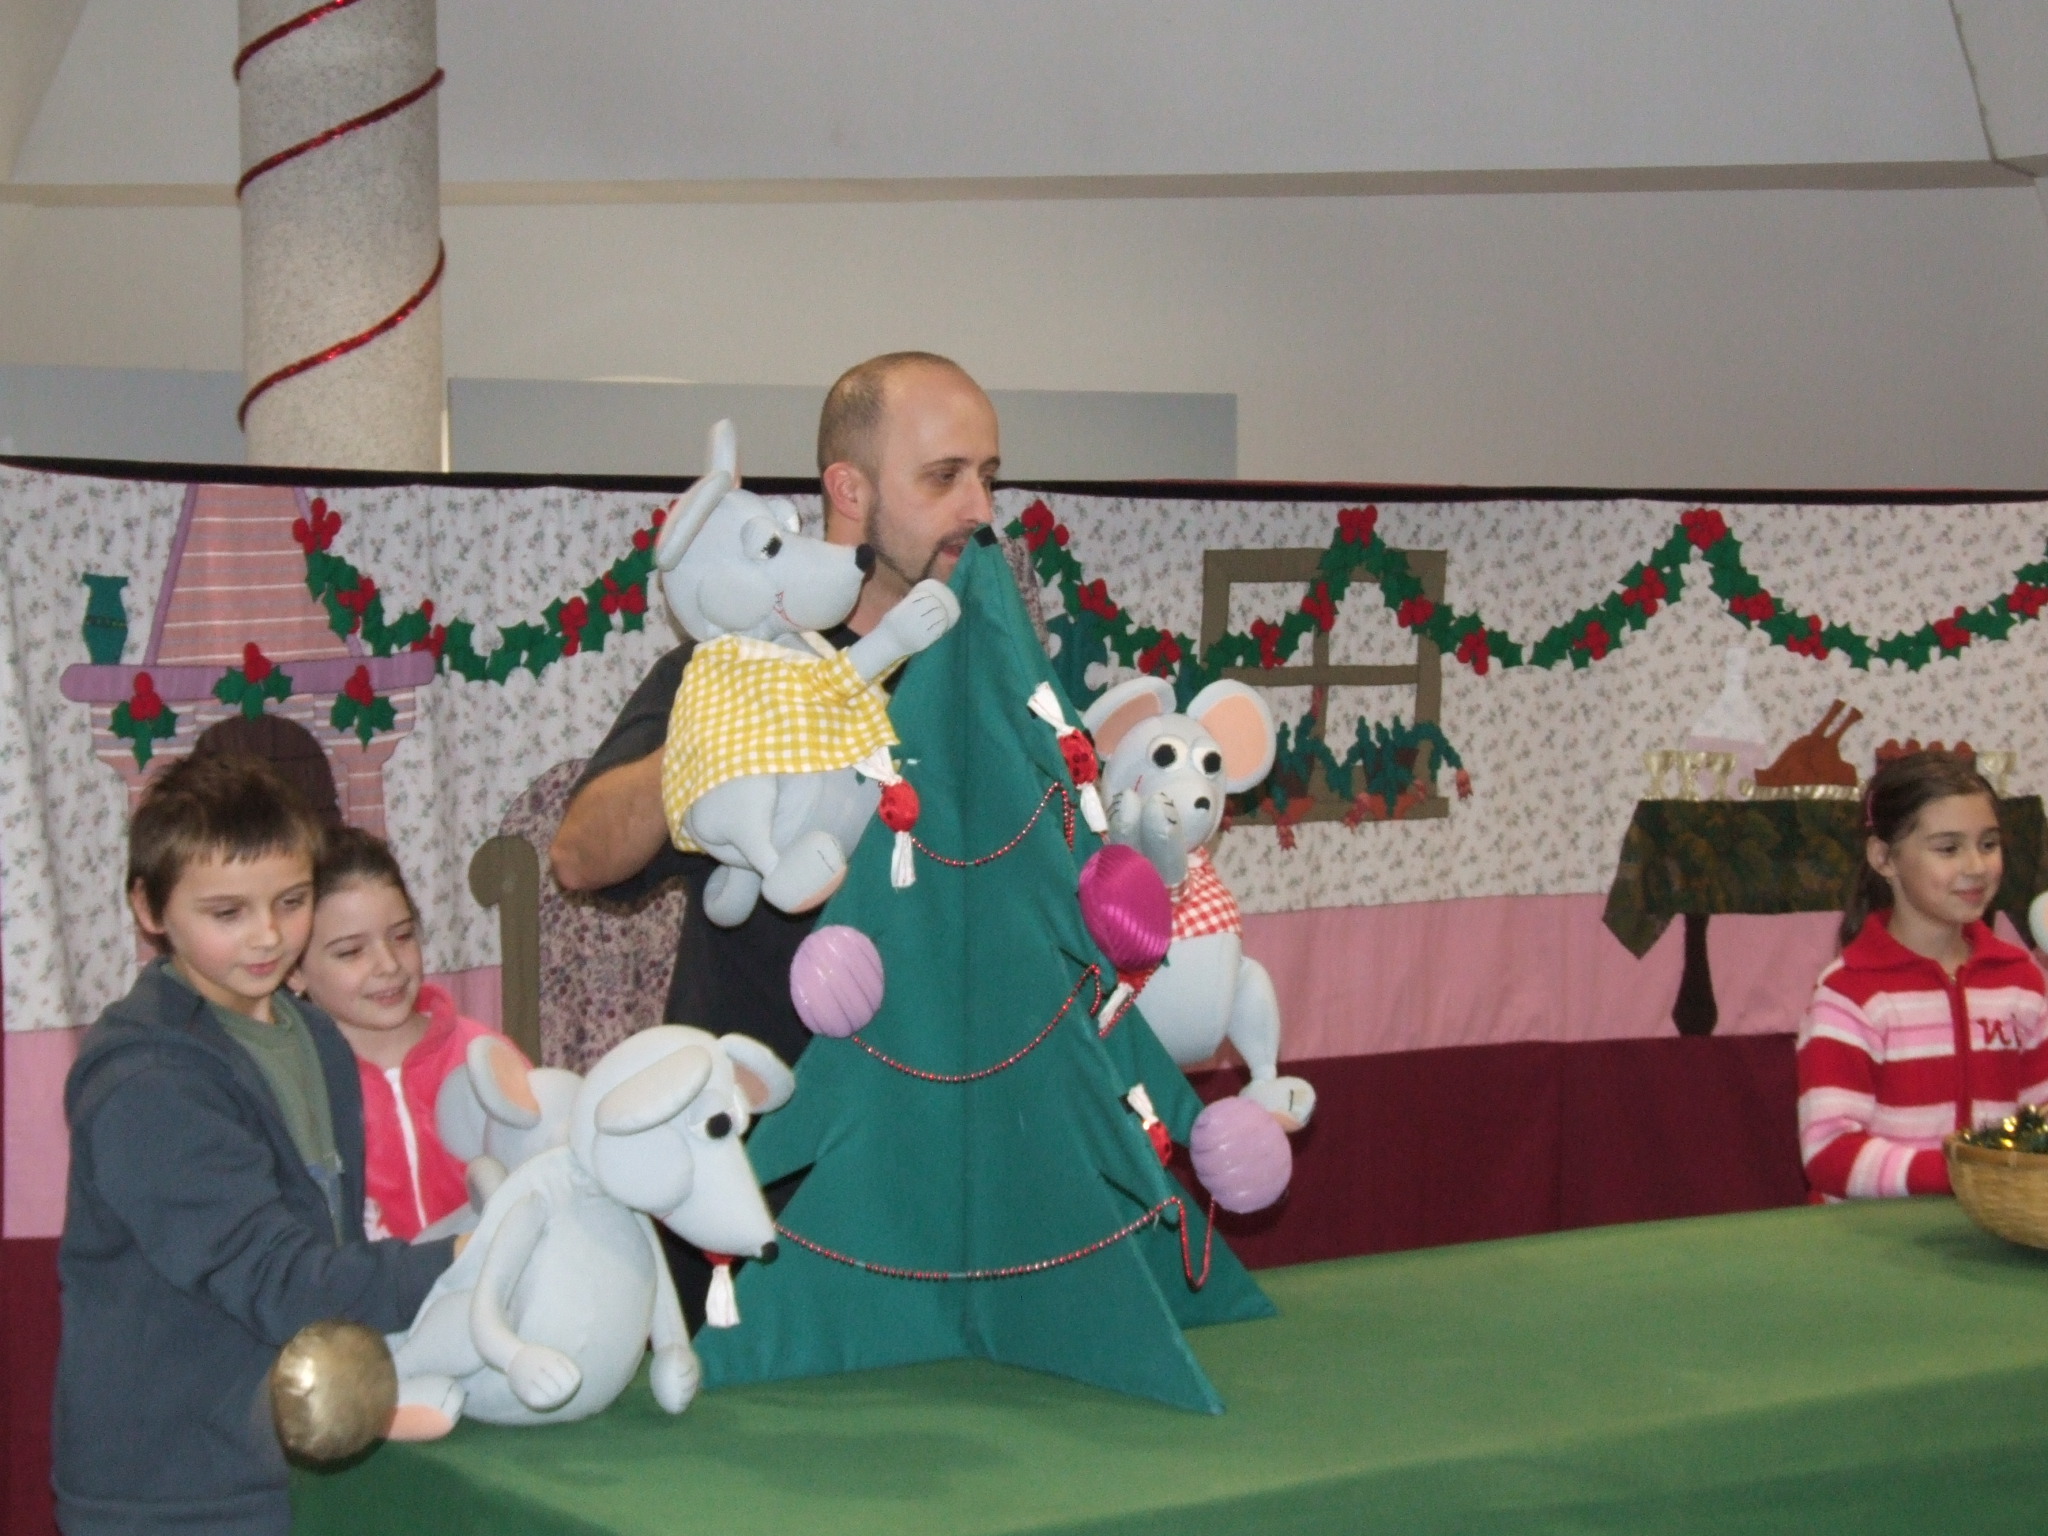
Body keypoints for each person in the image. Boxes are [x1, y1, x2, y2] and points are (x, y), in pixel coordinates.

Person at [549, 351, 1011, 1067]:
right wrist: (720, 737)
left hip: (936, 1099)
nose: (980, 509)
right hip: (764, 1110)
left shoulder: (986, 674)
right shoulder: (728, 666)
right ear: (849, 490)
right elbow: (578, 858)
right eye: (945, 476)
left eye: (988, 477)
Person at [53, 754, 456, 1536]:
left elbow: (325, 1237)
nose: (269, 936)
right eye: (227, 912)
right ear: (149, 907)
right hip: (168, 1487)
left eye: (292, 902)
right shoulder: (147, 1081)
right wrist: (469, 1257)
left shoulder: (312, 1032)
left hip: (283, 1452)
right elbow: (277, 1280)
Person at [1797, 750, 2048, 1200]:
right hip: (1870, 1235)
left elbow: (2040, 1123)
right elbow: (1830, 1154)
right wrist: (1964, 1175)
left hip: (1992, 1227)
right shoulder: (1850, 992)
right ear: (1884, 858)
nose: (1976, 867)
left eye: (1988, 844)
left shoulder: (2021, 980)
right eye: (1948, 848)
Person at [295, 824, 504, 1242]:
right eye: (351, 951)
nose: (389, 964)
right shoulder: (297, 1085)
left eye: (402, 936)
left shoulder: (481, 1055)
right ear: (293, 970)